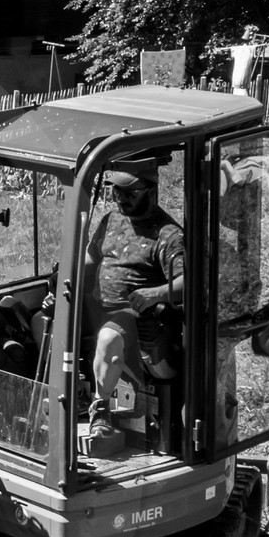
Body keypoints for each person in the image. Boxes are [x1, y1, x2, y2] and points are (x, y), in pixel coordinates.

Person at [83, 157, 184, 455]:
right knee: (41, 318)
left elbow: (185, 284)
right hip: (96, 304)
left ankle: (100, 411)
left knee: (108, 339)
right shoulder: (110, 220)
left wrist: (154, 294)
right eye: (116, 192)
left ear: (151, 191)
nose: (121, 199)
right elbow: (91, 259)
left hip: (134, 315)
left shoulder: (168, 235)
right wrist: (68, 288)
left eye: (129, 193)